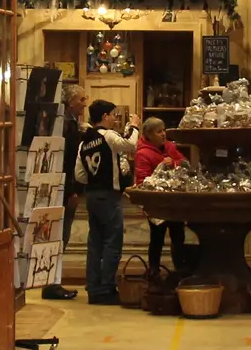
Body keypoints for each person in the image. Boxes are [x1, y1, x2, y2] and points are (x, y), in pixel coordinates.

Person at [76, 99, 137, 305]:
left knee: (95, 243)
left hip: (91, 196)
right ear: (104, 117)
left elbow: (79, 175)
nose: (114, 118)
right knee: (112, 241)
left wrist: (95, 179)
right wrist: (135, 126)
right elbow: (131, 145)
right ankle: (106, 289)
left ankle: (93, 288)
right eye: (112, 114)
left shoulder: (84, 142)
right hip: (108, 196)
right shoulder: (109, 136)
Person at [42, 83, 89, 301]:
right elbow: (68, 161)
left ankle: (53, 282)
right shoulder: (66, 126)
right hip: (63, 187)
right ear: (70, 102)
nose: (84, 104)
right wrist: (72, 191)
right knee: (61, 236)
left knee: (61, 236)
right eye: (81, 100)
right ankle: (53, 283)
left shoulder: (70, 123)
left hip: (60, 185)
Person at [134, 117, 187, 272]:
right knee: (157, 239)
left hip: (175, 202)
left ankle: (180, 271)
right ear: (149, 135)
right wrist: (162, 167)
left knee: (179, 237)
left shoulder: (170, 146)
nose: (163, 134)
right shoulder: (142, 153)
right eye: (159, 132)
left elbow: (184, 163)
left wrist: (174, 164)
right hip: (156, 204)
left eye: (163, 130)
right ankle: (154, 272)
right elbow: (143, 181)